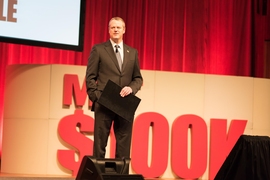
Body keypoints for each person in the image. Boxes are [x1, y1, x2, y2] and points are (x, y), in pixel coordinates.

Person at [86, 17, 143, 159]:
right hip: (104, 102)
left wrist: (131, 88)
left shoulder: (132, 52)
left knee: (124, 145)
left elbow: (138, 78)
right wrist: (96, 98)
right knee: (100, 145)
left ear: (124, 30)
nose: (116, 30)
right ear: (109, 30)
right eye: (113, 27)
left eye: (118, 27)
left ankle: (120, 176)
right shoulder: (98, 49)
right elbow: (90, 77)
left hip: (124, 104)